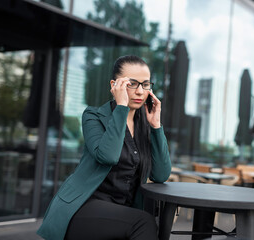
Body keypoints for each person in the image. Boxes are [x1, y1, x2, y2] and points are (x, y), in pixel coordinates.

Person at [37, 55, 171, 240]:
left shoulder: (145, 125)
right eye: (132, 84)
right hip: (83, 205)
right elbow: (108, 156)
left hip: (121, 211)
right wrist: (122, 107)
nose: (140, 91)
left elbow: (161, 174)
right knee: (143, 222)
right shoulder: (93, 116)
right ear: (115, 85)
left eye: (146, 84)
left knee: (151, 222)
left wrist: (156, 126)